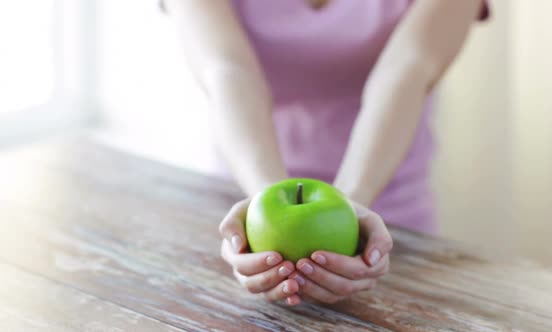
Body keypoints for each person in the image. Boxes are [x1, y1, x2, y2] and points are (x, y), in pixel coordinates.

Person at [164, 0, 489, 305]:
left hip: (388, 227)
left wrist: (351, 207)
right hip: (241, 215)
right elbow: (227, 71)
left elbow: (407, 70)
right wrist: (262, 209)